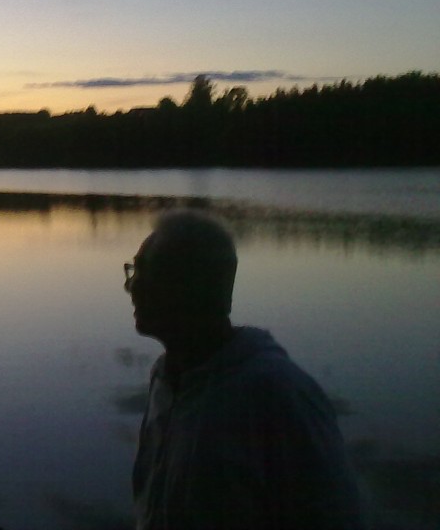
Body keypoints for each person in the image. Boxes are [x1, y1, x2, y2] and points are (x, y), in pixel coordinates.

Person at [124, 209, 364, 530]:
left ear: (196, 286)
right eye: (133, 270)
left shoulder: (278, 393)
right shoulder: (166, 377)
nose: (131, 287)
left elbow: (334, 515)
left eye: (146, 272)